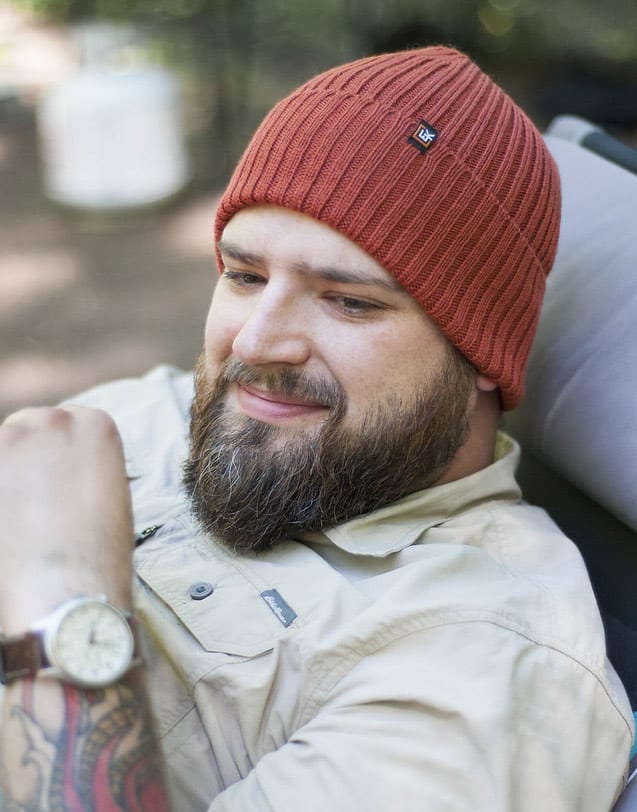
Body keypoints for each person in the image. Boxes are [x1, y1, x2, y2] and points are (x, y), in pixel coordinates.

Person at [0, 46, 633, 812]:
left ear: (482, 356)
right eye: (243, 275)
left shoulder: (487, 659)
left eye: (349, 302)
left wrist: (66, 613)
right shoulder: (164, 410)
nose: (257, 343)